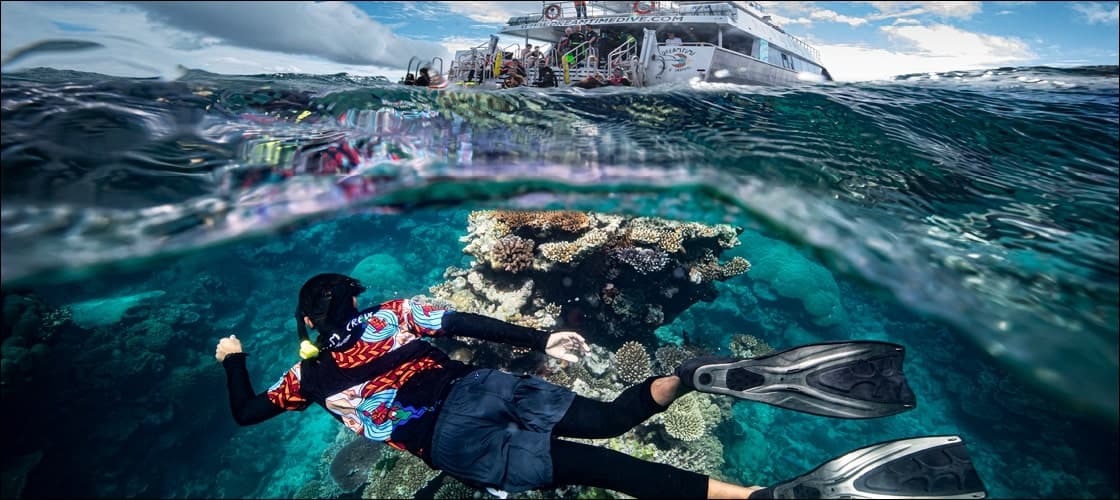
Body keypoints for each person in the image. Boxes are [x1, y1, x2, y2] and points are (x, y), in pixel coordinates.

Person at [216, 273, 987, 499]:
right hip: (487, 387)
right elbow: (465, 321)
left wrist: (231, 359)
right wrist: (541, 338)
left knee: (615, 473)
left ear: (305, 323)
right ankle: (693, 374)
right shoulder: (391, 315)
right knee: (615, 420)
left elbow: (248, 414)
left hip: (452, 440)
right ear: (352, 304)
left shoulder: (304, 377)